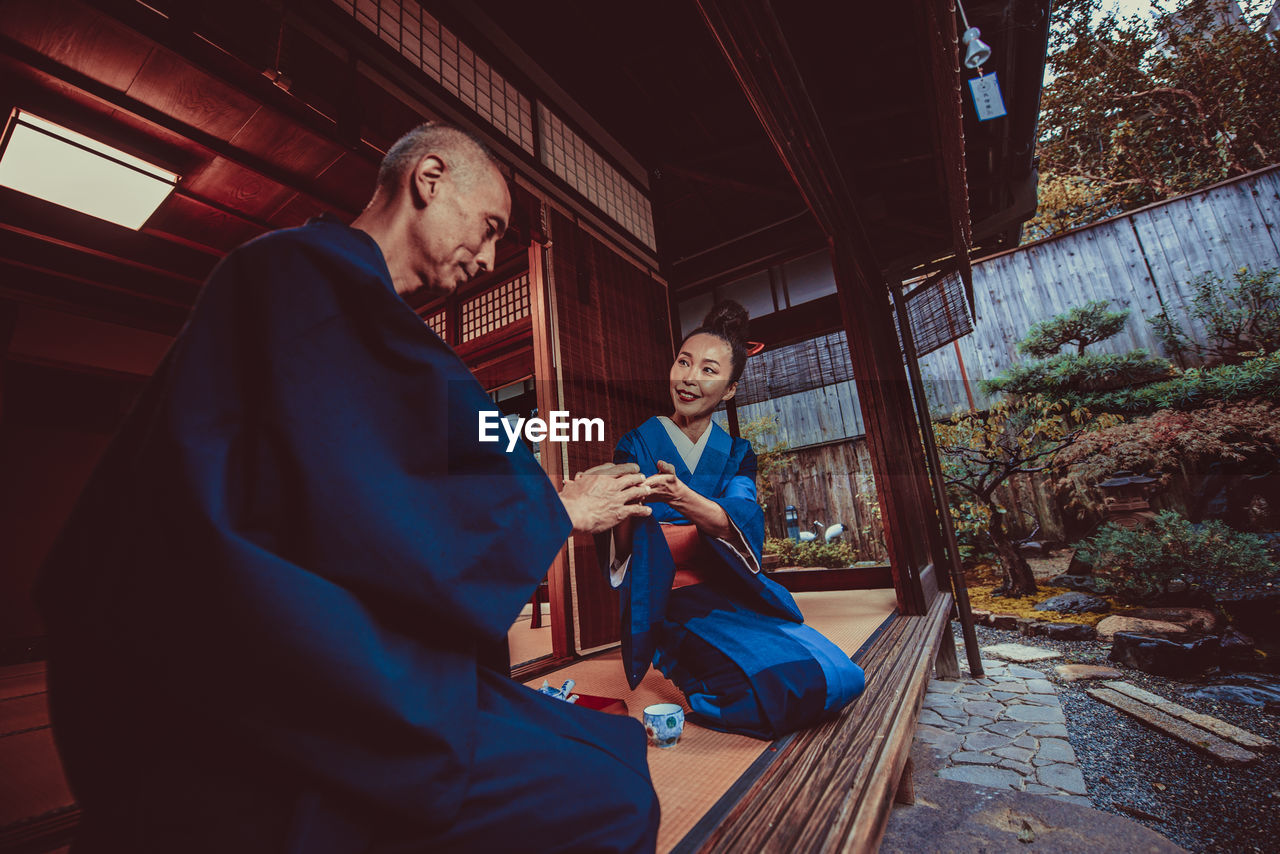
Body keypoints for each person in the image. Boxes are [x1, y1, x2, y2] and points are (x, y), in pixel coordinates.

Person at [35, 123, 660, 853]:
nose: (490, 258)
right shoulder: (299, 275)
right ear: (428, 178)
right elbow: (362, 488)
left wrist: (536, 503)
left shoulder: (345, 303)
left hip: (327, 649)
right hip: (262, 673)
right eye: (489, 228)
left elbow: (382, 479)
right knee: (607, 796)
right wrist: (553, 507)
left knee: (607, 747)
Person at [605, 301, 865, 740]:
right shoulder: (637, 442)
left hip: (731, 587)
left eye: (708, 370)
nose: (688, 378)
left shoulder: (738, 453)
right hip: (667, 598)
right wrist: (616, 506)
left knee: (840, 675)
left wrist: (682, 501)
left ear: (728, 390)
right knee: (766, 690)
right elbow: (628, 538)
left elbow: (740, 519)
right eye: (684, 362)